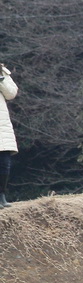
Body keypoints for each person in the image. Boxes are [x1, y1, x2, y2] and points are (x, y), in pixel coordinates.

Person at [0, 62, 19, 209]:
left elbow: (11, 93)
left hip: (1, 125)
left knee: (4, 164)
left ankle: (2, 195)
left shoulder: (2, 71)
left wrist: (1, 77)